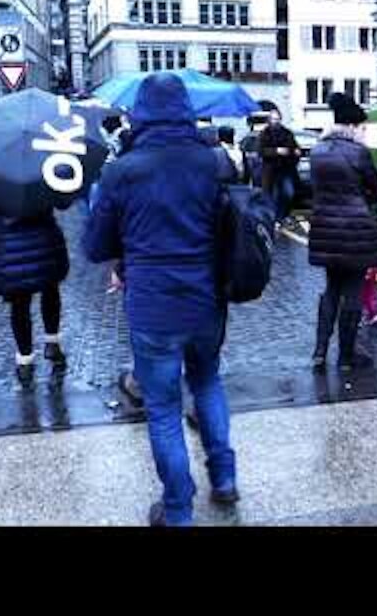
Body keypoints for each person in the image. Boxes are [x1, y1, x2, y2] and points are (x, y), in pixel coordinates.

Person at [83, 73, 237, 527]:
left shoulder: (122, 170)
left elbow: (95, 245)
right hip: (207, 297)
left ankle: (177, 511)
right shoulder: (212, 162)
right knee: (208, 382)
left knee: (164, 408)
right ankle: (224, 478)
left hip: (152, 306)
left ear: (141, 112)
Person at [308, 93, 377, 372]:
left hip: (325, 229)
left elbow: (314, 191)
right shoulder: (358, 153)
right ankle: (346, 356)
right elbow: (375, 189)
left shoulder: (317, 151)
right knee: (353, 291)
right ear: (353, 126)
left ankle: (319, 351)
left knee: (331, 289)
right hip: (356, 232)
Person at [0, 208, 69, 385]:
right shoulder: (39, 179)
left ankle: (25, 360)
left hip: (8, 245)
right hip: (44, 239)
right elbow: (62, 201)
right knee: (50, 290)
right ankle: (52, 342)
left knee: (19, 304)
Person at [257, 102, 302, 225]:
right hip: (271, 171)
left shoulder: (287, 132)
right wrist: (276, 151)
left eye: (278, 119)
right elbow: (261, 151)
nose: (276, 121)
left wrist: (296, 151)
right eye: (273, 119)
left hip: (285, 169)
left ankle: (283, 215)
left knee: (288, 193)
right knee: (273, 195)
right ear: (269, 120)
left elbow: (294, 147)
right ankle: (276, 217)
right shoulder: (264, 133)